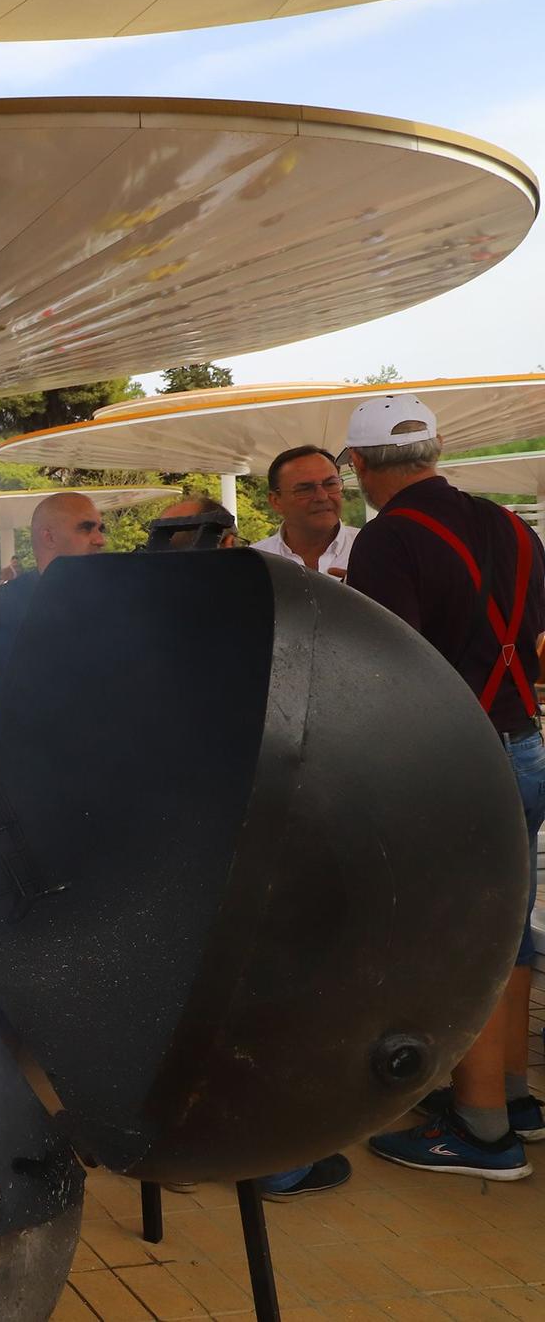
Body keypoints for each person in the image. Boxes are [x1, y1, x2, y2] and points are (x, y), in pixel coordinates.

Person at [341, 394, 544, 1181]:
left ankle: (483, 1130)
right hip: (524, 744)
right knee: (512, 927)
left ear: (358, 465)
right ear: (436, 449)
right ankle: (514, 1095)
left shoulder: (387, 542)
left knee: (471, 938)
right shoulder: (512, 526)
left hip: (456, 765)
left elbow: (385, 678)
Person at [0, 492, 105, 707]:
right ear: (49, 537)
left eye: (100, 529)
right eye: (87, 528)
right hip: (21, 738)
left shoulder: (115, 599)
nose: (100, 540)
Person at [254, 444, 359, 576]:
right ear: (276, 501)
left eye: (330, 484)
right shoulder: (253, 564)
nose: (322, 497)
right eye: (305, 489)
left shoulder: (376, 550)